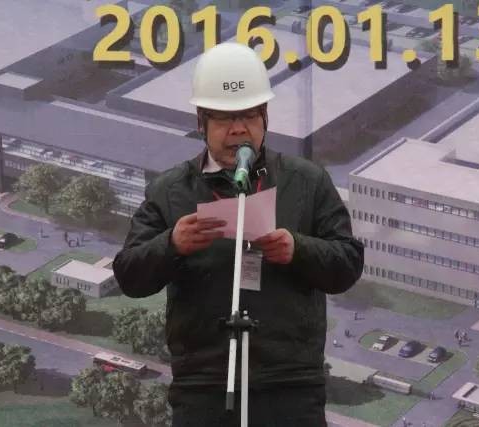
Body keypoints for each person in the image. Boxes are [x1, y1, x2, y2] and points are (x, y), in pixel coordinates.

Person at [112, 42, 363, 427]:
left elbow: (347, 264)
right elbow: (129, 275)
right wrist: (171, 245)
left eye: (250, 116)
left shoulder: (306, 181)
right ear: (201, 122)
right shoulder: (170, 190)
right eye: (224, 119)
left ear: (265, 117)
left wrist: (298, 249)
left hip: (290, 386)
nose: (239, 130)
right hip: (203, 387)